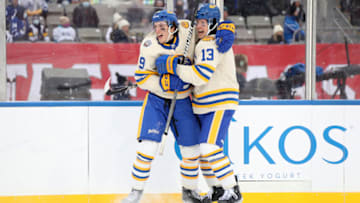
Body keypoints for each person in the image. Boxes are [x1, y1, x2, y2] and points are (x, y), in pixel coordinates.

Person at [121, 8, 236, 203]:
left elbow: (207, 25)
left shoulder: (188, 30)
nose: (158, 31)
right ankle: (135, 192)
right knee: (147, 148)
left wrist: (227, 27)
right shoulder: (148, 45)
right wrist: (162, 84)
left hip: (183, 101)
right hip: (157, 101)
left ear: (174, 27)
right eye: (155, 27)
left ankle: (189, 192)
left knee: (191, 152)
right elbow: (141, 77)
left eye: (162, 27)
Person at [155, 3, 243, 203]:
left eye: (205, 23)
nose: (200, 27)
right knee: (204, 153)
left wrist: (174, 68)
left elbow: (201, 75)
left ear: (213, 24)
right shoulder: (201, 41)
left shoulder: (210, 42)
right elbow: (185, 32)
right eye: (199, 23)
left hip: (218, 103)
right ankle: (218, 189)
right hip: (203, 104)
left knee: (209, 148)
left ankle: (233, 190)